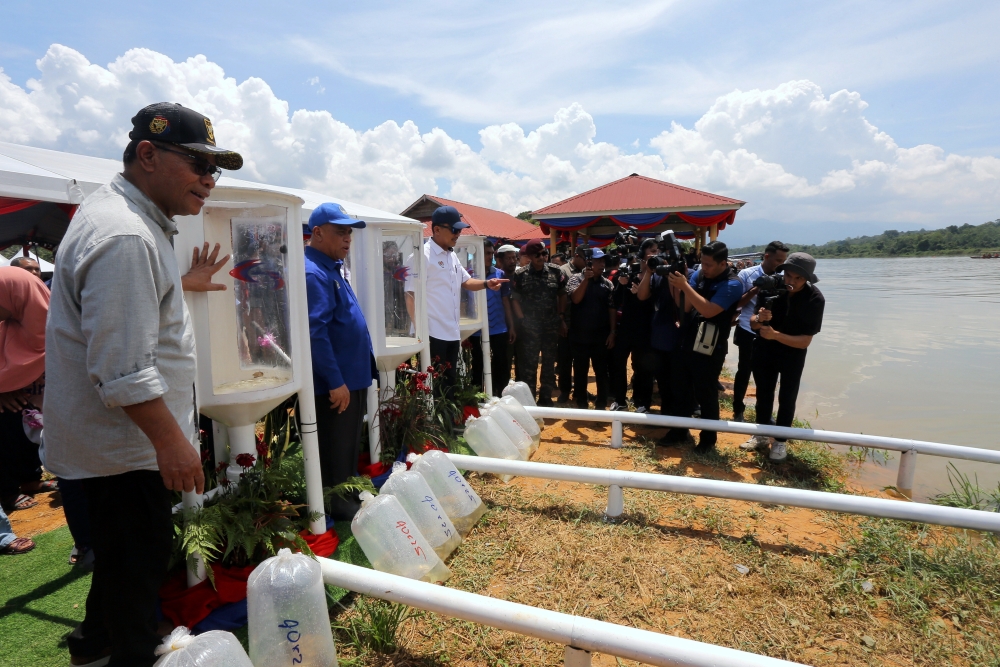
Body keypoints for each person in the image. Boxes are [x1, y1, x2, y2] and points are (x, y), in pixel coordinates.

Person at [45, 102, 241, 667]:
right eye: (197, 162)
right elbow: (122, 368)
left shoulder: (125, 222)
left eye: (215, 168)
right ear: (147, 155)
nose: (208, 178)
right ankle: (127, 651)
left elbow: (128, 311)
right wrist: (172, 442)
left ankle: (94, 643)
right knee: (139, 562)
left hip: (117, 446)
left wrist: (185, 285)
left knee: (121, 556)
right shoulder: (126, 235)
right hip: (124, 451)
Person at [304, 203, 377, 519]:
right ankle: (338, 502)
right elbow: (315, 332)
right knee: (336, 446)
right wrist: (335, 381)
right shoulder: (314, 271)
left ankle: (346, 495)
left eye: (349, 232)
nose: (347, 238)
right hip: (336, 383)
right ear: (317, 233)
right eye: (340, 231)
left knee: (347, 445)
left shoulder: (328, 266)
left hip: (350, 377)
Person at [404, 206, 505, 399]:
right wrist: (420, 333)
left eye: (460, 230)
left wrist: (487, 283)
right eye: (454, 230)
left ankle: (448, 424)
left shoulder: (451, 256)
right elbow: (410, 295)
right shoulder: (421, 256)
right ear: (437, 230)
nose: (458, 234)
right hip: (432, 333)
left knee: (449, 383)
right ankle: (434, 425)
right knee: (434, 386)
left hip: (451, 331)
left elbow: (466, 281)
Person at [662, 241, 744, 452]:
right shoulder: (699, 275)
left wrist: (685, 286)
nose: (703, 268)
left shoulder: (733, 284)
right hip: (687, 340)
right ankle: (679, 431)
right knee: (680, 389)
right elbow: (687, 307)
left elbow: (708, 310)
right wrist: (675, 282)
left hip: (710, 347)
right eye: (702, 263)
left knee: (706, 394)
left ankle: (708, 440)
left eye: (708, 265)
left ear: (723, 263)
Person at [745, 253, 825, 461]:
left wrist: (776, 335)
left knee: (787, 397)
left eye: (798, 278)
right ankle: (761, 433)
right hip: (764, 350)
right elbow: (753, 323)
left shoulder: (815, 299)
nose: (791, 281)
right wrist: (759, 318)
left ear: (807, 279)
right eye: (788, 275)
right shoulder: (771, 285)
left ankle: (780, 441)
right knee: (763, 393)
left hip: (793, 354)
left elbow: (805, 341)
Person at [0, 267, 51, 515]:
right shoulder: (3, 325)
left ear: (16, 295)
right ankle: (7, 490)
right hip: (7, 399)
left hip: (38, 397)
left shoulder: (57, 318)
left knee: (31, 419)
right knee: (7, 420)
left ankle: (30, 478)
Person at [731, 241, 789, 422]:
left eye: (783, 261)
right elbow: (737, 304)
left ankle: (763, 415)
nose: (780, 265)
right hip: (748, 330)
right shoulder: (747, 274)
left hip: (770, 333)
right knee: (744, 371)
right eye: (778, 260)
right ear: (766, 257)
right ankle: (738, 410)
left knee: (767, 376)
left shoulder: (783, 276)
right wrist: (758, 288)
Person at [511, 240, 567, 406]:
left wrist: (561, 316)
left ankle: (545, 398)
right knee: (529, 365)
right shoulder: (520, 275)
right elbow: (515, 299)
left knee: (549, 363)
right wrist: (521, 319)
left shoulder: (556, 272)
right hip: (530, 326)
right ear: (529, 256)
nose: (542, 257)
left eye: (544, 253)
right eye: (537, 255)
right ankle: (530, 402)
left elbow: (562, 294)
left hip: (550, 324)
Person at [565, 249, 616, 410]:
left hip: (600, 336)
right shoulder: (575, 279)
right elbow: (575, 299)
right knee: (580, 371)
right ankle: (581, 401)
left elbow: (612, 309)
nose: (602, 264)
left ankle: (601, 403)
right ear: (589, 263)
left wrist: (613, 332)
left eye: (604, 261)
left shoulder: (607, 283)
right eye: (598, 261)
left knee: (601, 371)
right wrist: (585, 280)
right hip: (579, 335)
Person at [611, 239, 657, 412]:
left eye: (657, 251)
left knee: (643, 368)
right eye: (652, 251)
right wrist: (622, 285)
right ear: (642, 256)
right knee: (618, 364)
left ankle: (642, 402)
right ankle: (620, 400)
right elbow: (616, 301)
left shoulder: (658, 276)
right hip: (626, 328)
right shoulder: (630, 274)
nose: (655, 254)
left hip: (645, 329)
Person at [470, 241, 516, 395]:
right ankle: (478, 399)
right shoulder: (469, 274)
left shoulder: (499, 274)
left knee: (500, 365)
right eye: (487, 253)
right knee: (478, 365)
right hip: (476, 330)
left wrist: (511, 326)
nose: (490, 256)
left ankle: (499, 397)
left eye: (491, 253)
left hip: (498, 329)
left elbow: (505, 302)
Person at [557, 247, 586, 402]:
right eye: (584, 258)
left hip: (582, 324)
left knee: (581, 361)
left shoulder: (587, 272)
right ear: (576, 256)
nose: (587, 262)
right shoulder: (564, 271)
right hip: (567, 322)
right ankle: (564, 390)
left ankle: (580, 391)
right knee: (565, 360)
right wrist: (561, 321)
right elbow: (558, 297)